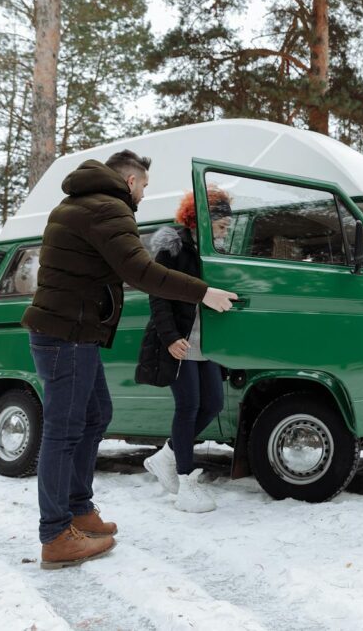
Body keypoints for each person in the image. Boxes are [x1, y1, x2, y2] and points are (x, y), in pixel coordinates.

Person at [22, 150, 238, 569]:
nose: (142, 195)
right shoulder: (108, 207)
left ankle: (79, 508)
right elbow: (140, 270)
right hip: (66, 335)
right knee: (64, 431)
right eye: (143, 187)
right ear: (131, 181)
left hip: (74, 333)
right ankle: (56, 534)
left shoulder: (81, 204)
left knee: (96, 414)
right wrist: (202, 291)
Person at [135, 188, 233, 512]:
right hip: (180, 339)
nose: (226, 230)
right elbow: (157, 294)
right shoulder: (173, 246)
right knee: (188, 405)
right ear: (203, 218)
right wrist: (169, 337)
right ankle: (185, 481)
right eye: (221, 225)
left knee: (213, 403)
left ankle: (166, 455)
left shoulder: (215, 251)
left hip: (208, 341)